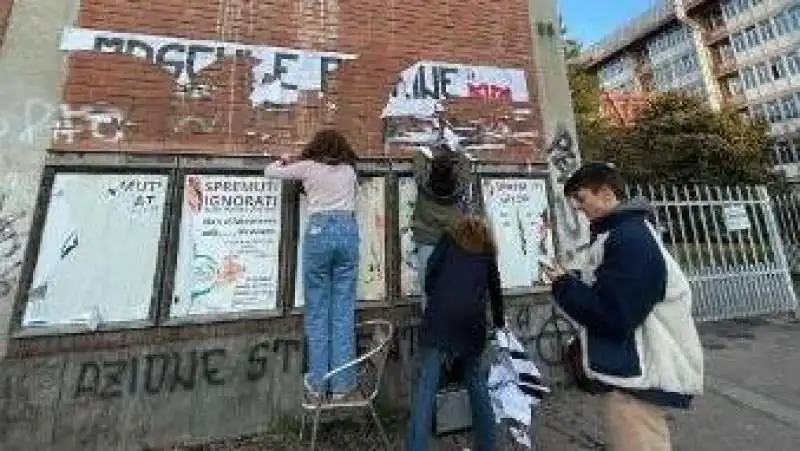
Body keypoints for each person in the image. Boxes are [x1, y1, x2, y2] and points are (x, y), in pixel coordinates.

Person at [543, 163, 703, 451]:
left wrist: (564, 286)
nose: (578, 209)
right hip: (629, 372)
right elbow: (614, 290)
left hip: (638, 379)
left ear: (605, 193)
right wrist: (574, 280)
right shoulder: (619, 233)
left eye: (581, 199)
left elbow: (615, 315)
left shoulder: (630, 239)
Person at [263, 129, 359, 402]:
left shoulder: (307, 168)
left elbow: (269, 172)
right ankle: (341, 385)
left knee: (317, 310)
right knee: (343, 311)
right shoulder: (350, 171)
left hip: (319, 233)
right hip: (347, 231)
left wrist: (282, 161)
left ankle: (318, 384)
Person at [407, 216, 505, 451]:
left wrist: (437, 295)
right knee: (476, 382)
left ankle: (417, 447)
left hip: (440, 320)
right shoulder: (486, 249)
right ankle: (487, 445)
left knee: (426, 388)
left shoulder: (448, 239)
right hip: (471, 324)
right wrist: (500, 321)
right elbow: (495, 288)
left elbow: (430, 272)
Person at [410, 143, 471, 309]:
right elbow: (465, 162)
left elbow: (419, 160)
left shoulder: (424, 184)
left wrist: (426, 149)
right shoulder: (460, 187)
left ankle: (433, 330)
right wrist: (454, 149)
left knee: (428, 292)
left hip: (426, 241)